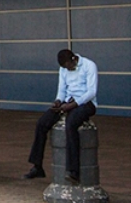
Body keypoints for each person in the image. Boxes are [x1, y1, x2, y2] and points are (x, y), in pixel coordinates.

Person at [23, 49, 98, 183]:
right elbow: (62, 90)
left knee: (71, 124)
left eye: (68, 66)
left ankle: (74, 171)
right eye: (64, 67)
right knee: (42, 123)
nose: (67, 69)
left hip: (86, 103)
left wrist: (74, 105)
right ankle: (37, 166)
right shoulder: (63, 69)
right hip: (68, 101)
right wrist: (58, 101)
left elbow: (91, 91)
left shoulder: (89, 66)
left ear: (74, 59)